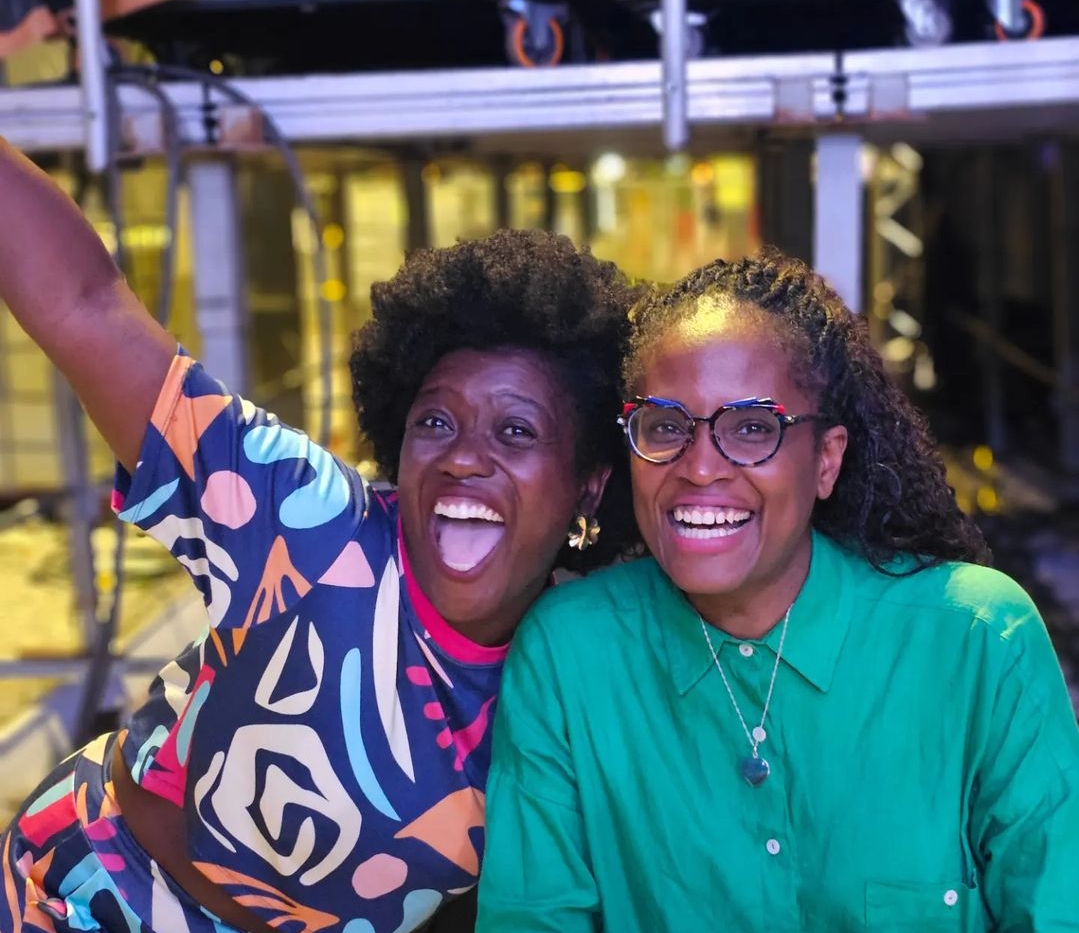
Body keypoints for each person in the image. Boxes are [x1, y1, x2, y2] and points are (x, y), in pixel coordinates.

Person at [0, 136, 642, 933]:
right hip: (87, 894)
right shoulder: (312, 524)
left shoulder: (584, 651)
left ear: (590, 482)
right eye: (434, 422)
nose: (463, 457)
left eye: (515, 430)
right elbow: (86, 307)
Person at [476, 248, 1079, 932]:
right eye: (666, 426)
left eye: (752, 428)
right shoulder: (569, 654)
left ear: (826, 460)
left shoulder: (975, 638)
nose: (700, 467)